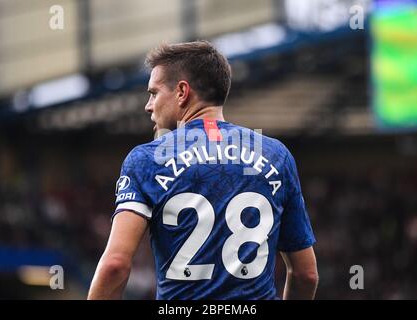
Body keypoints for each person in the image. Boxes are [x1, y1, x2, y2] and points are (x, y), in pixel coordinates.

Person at [87, 41, 318, 300]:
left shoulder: (146, 160)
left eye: (154, 93)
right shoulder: (277, 156)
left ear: (182, 92)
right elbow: (305, 275)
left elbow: (115, 265)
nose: (148, 105)